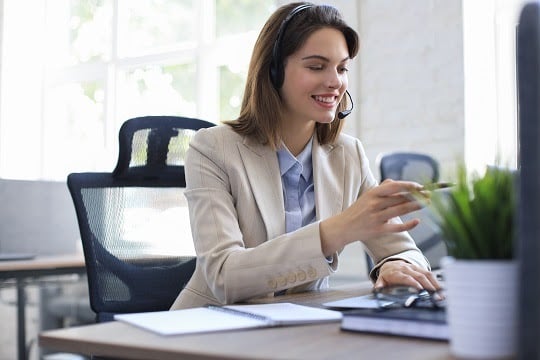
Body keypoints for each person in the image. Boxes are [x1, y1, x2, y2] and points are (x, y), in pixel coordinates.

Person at [170, 2, 440, 310]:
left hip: (300, 329)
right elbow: (224, 277)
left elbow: (405, 251)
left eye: (341, 68)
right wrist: (337, 231)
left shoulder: (348, 155)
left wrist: (393, 264)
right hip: (205, 329)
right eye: (316, 66)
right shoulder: (213, 149)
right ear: (273, 72)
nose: (335, 81)